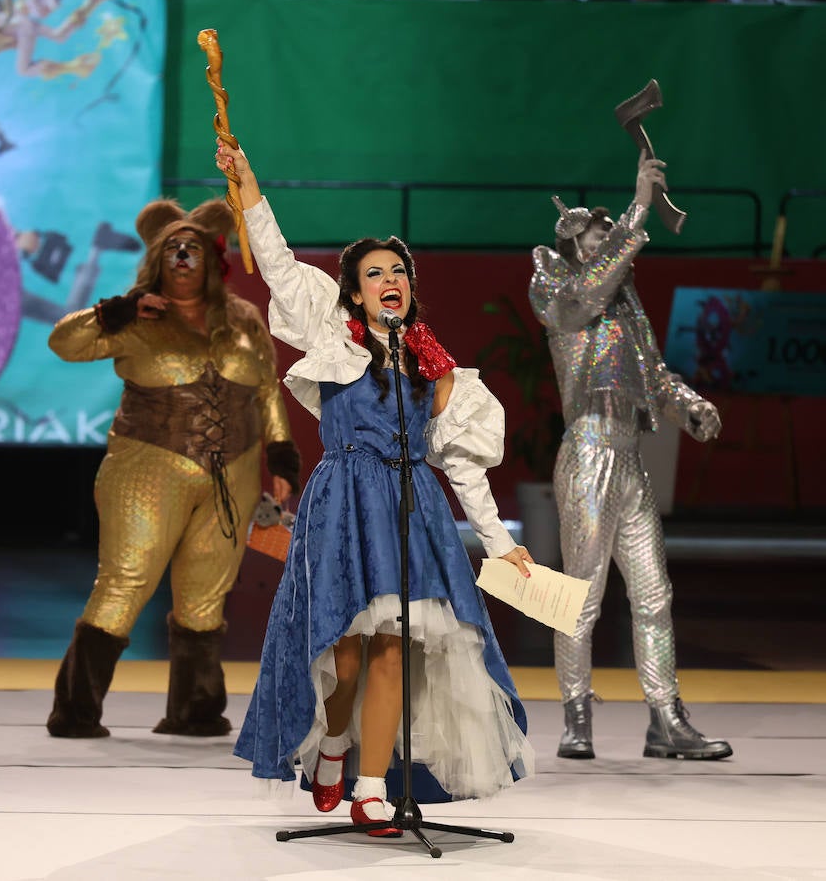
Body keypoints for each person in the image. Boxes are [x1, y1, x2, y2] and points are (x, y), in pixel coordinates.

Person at [221, 142, 534, 831]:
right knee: (347, 647)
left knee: (396, 640)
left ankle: (372, 786)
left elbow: (464, 467)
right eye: (374, 272)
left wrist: (498, 545)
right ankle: (334, 742)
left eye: (399, 271)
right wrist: (246, 186)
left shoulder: (433, 365)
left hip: (410, 505)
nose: (389, 279)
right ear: (354, 290)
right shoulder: (334, 335)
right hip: (344, 502)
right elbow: (273, 261)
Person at [46, 196, 301, 739]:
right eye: (173, 249)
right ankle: (75, 709)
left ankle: (195, 709)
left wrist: (280, 458)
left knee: (206, 593)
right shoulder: (137, 316)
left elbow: (266, 392)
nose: (184, 256)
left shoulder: (243, 320)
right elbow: (62, 342)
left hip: (229, 478)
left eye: (194, 248)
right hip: (146, 466)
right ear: (158, 260)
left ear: (213, 259)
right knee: (126, 581)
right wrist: (115, 311)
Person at [531, 155, 732, 761]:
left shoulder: (625, 309)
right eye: (600, 232)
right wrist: (640, 208)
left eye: (613, 231)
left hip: (630, 458)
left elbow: (654, 376)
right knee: (580, 598)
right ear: (571, 240)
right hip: (589, 454)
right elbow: (589, 290)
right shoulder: (561, 292)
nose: (611, 238)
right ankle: (576, 715)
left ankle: (666, 718)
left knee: (653, 595)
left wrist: (689, 405)